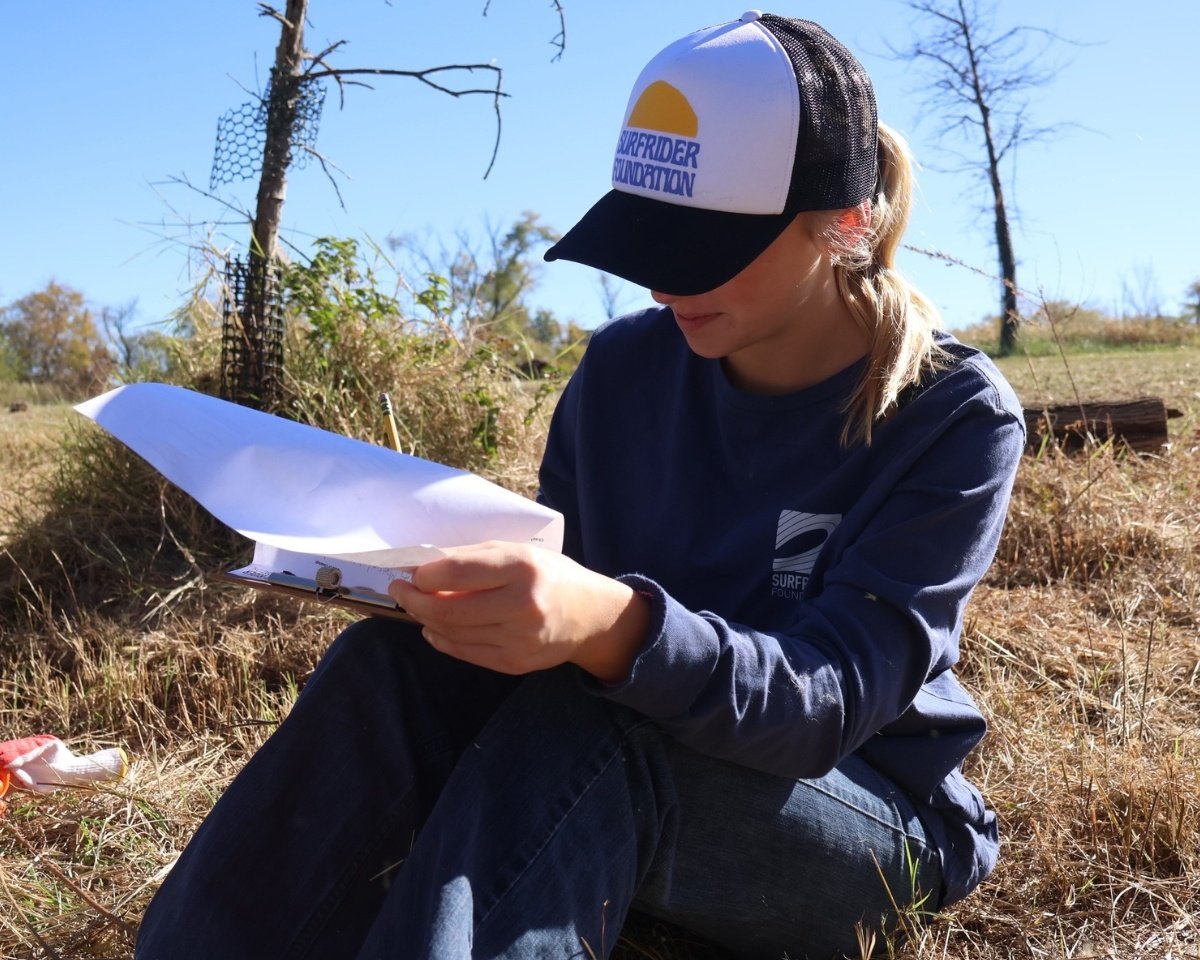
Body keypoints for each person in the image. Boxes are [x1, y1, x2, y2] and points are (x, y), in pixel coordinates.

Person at [135, 11, 1025, 959]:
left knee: (600, 734)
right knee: (388, 673)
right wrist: (462, 606)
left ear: (843, 223)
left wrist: (612, 627)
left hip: (872, 812)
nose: (661, 288)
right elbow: (563, 609)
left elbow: (828, 705)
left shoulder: (952, 416)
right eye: (648, 243)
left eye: (704, 251)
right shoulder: (621, 373)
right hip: (628, 754)